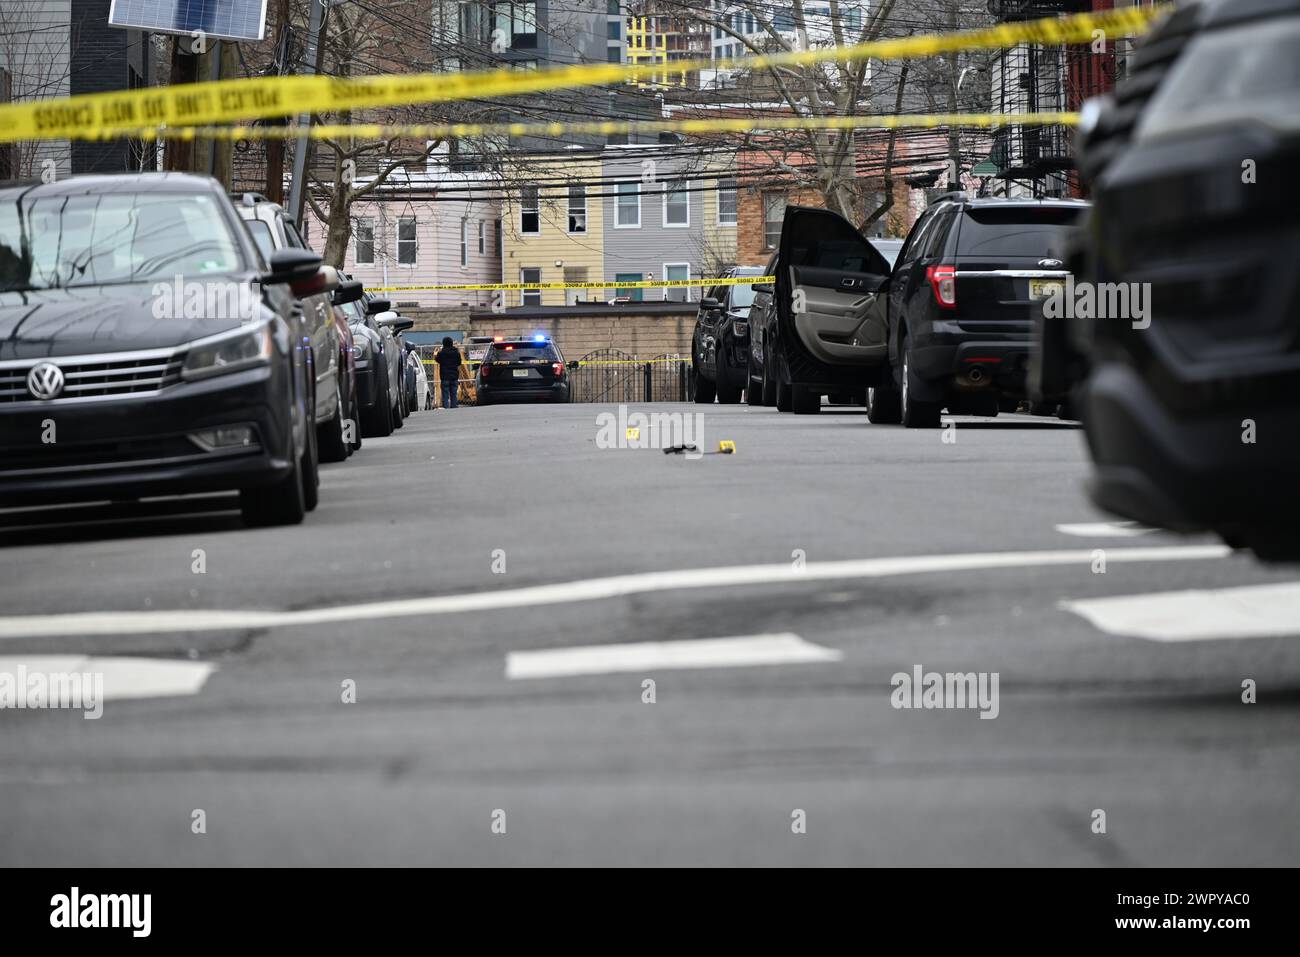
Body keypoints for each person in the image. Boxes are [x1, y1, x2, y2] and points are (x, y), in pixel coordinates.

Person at [435, 336, 463, 409]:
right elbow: (459, 363)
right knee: (454, 394)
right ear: (451, 343)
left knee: (445, 394)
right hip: (454, 376)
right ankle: (454, 407)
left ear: (444, 344)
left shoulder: (441, 353)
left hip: (445, 376)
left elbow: (437, 360)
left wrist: (437, 352)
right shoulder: (456, 352)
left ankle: (446, 409)